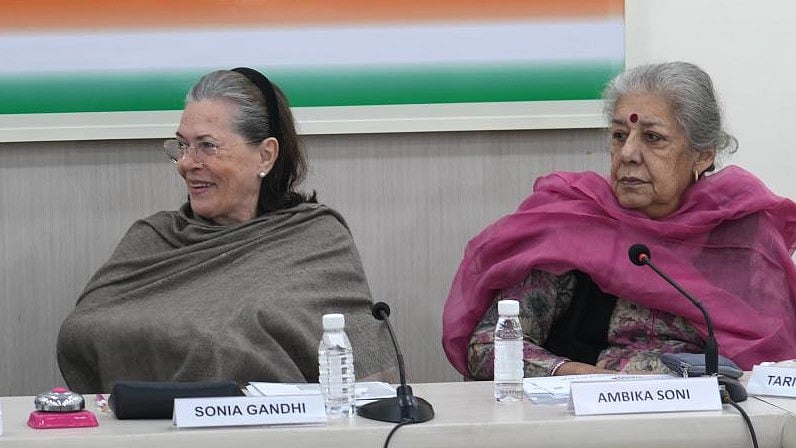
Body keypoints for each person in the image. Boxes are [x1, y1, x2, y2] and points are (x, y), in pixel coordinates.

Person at [442, 62, 796, 379]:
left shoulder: (742, 234)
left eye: (653, 138)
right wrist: (587, 378)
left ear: (702, 155)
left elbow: (776, 363)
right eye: (619, 136)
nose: (628, 154)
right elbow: (489, 348)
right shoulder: (573, 224)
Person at [57, 67, 396, 392]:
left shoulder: (317, 240)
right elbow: (81, 331)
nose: (188, 163)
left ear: (265, 155)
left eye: (207, 146)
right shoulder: (153, 237)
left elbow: (366, 378)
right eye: (182, 146)